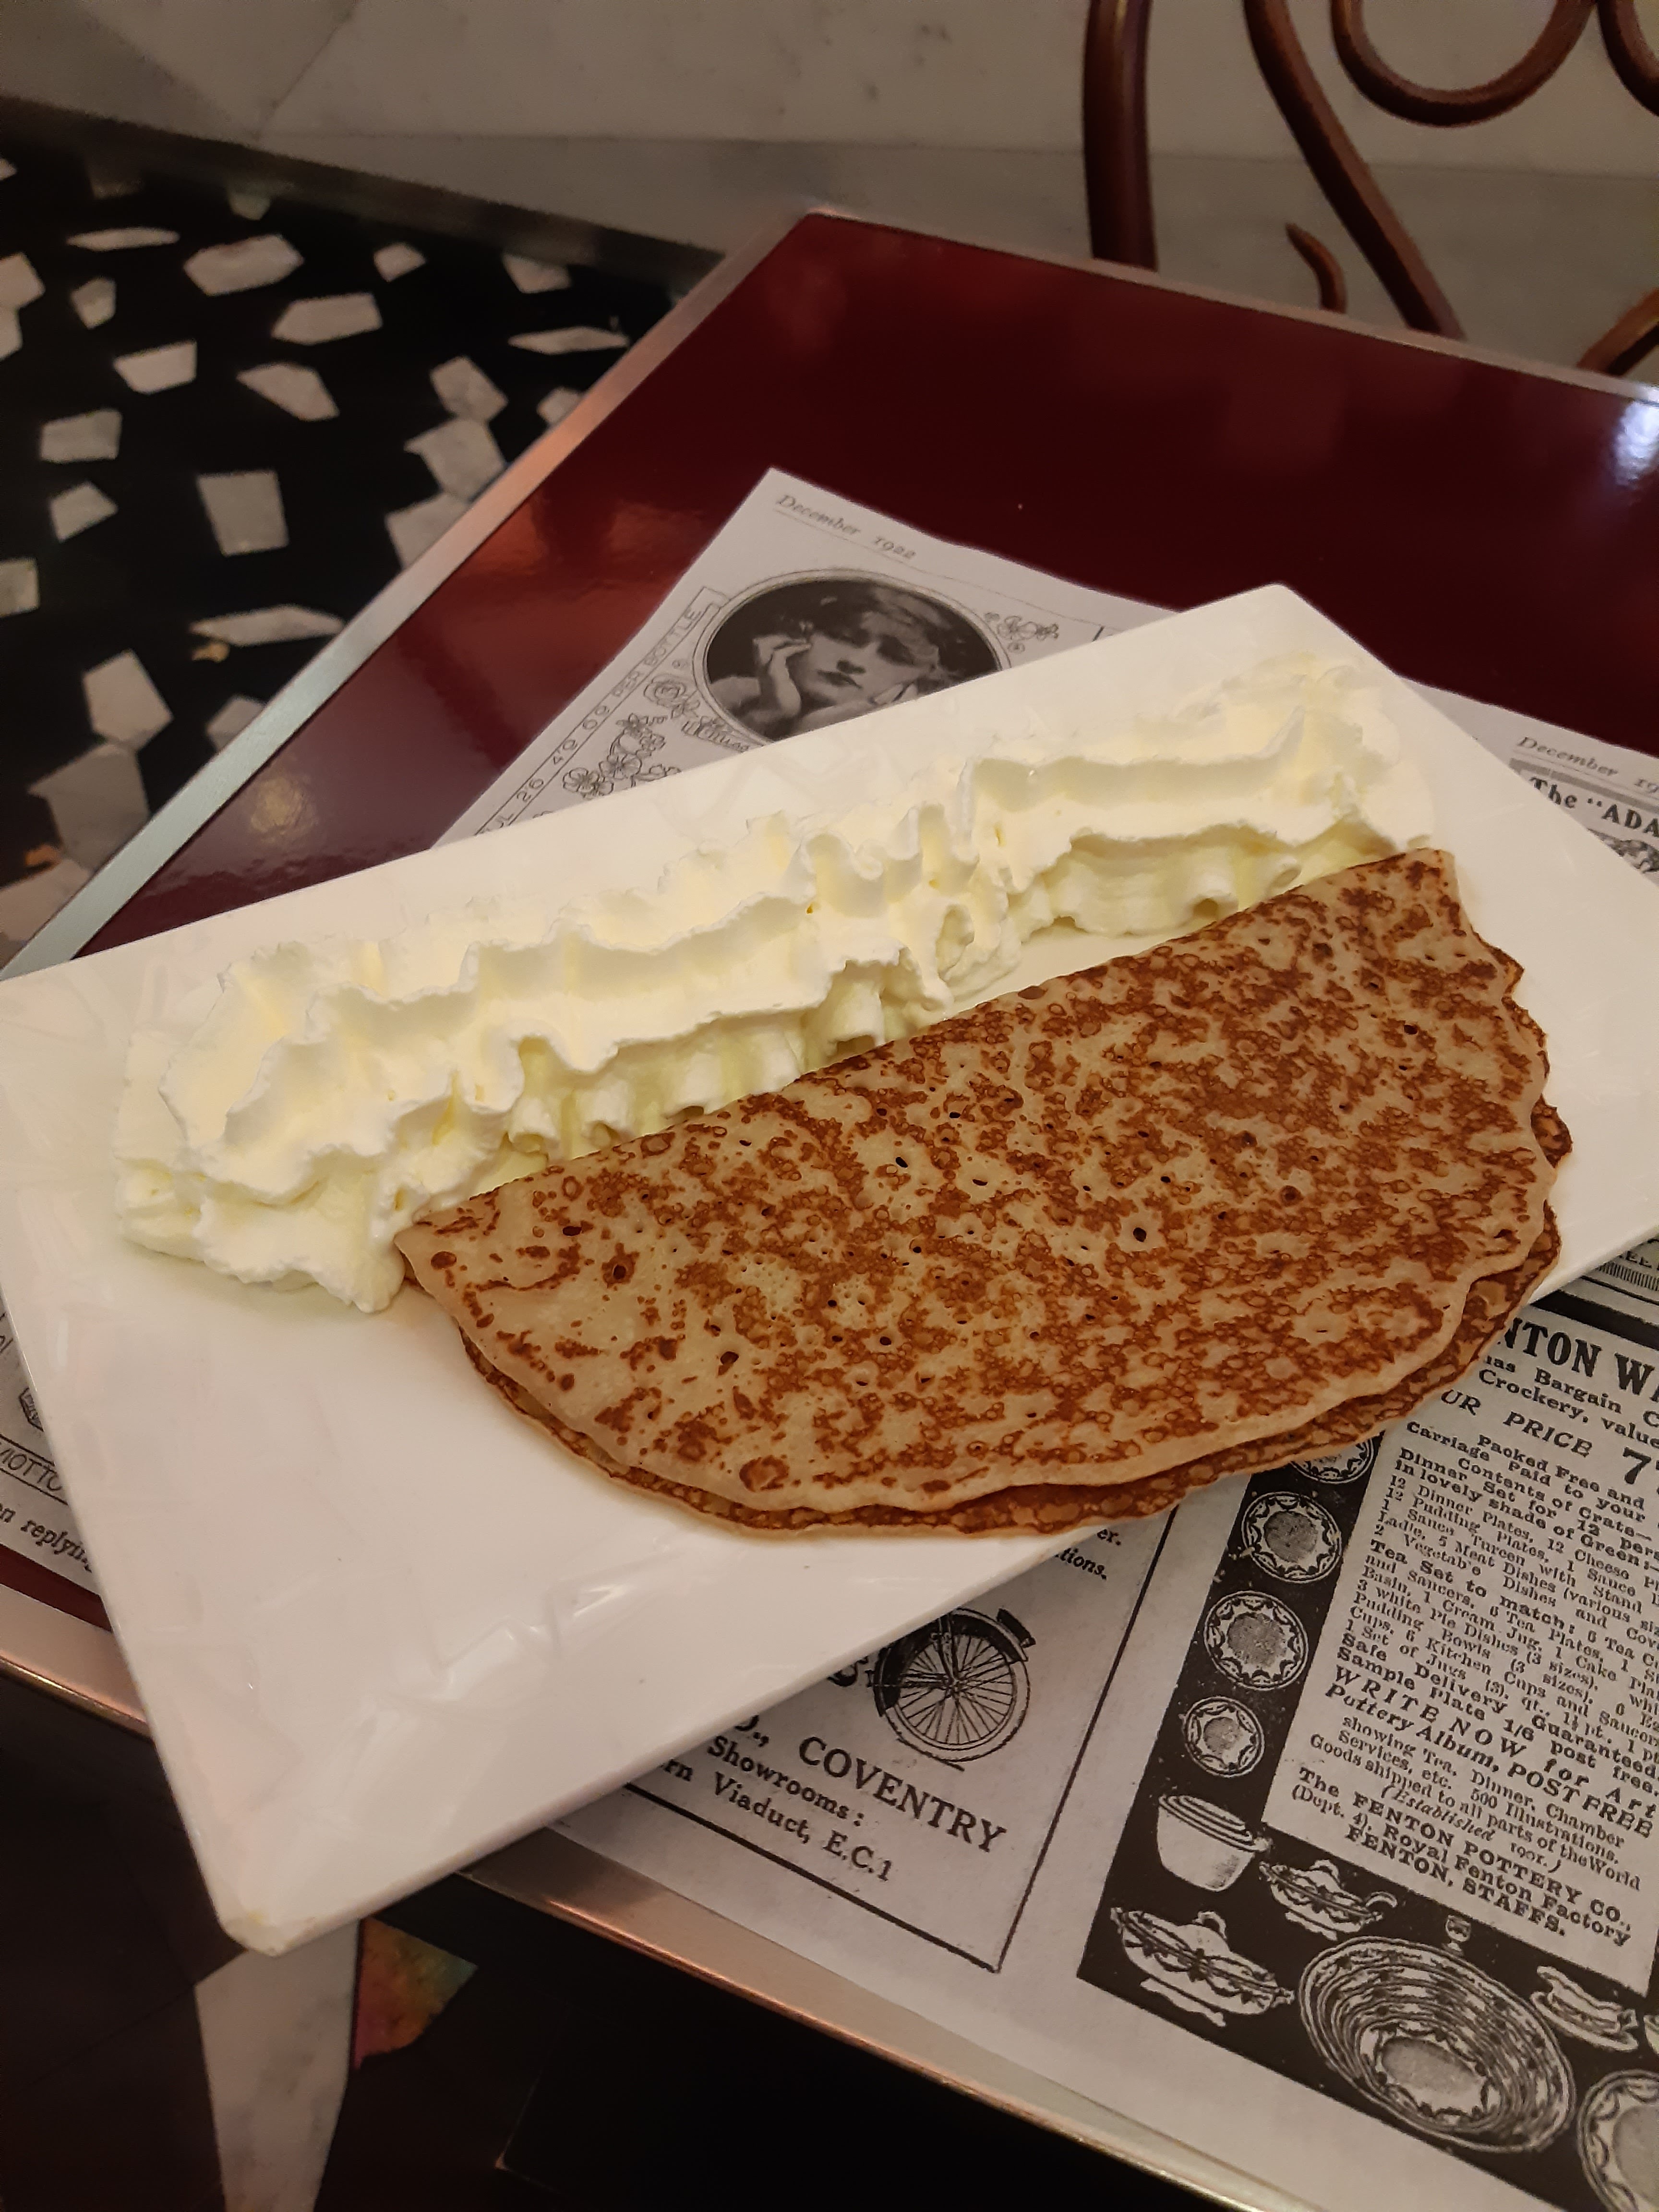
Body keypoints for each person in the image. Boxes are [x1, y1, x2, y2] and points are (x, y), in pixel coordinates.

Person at [708, 580, 991, 741]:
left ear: (926, 678)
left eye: (895, 655)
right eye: (843, 637)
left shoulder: (912, 737)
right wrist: (770, 713)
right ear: (799, 634)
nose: (855, 661)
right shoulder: (734, 694)